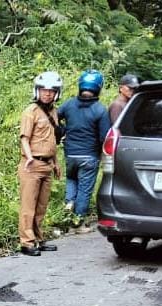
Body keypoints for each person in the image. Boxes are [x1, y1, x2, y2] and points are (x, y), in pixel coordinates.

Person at [57, 70, 111, 233]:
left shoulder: (68, 104)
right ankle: (78, 223)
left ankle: (69, 203)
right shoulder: (100, 110)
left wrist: (62, 131)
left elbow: (54, 116)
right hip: (89, 156)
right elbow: (104, 137)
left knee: (71, 179)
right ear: (98, 87)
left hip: (70, 154)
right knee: (85, 189)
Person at [17, 71, 64, 257]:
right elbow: (24, 138)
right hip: (32, 164)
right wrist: (29, 157)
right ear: (38, 90)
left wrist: (56, 163)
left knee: (41, 206)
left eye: (52, 91)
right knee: (28, 206)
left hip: (47, 165)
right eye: (44, 90)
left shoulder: (53, 111)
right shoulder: (31, 111)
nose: (48, 94)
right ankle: (26, 242)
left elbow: (52, 140)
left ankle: (38, 237)